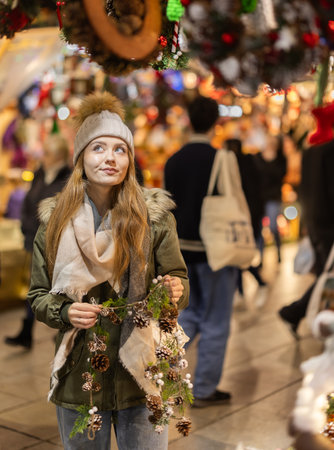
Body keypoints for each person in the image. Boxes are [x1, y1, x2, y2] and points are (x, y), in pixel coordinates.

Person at [26, 92, 189, 450]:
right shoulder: (55, 224)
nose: (110, 158)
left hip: (142, 373)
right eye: (98, 148)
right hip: (81, 377)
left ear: (130, 160)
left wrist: (174, 289)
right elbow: (38, 296)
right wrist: (65, 310)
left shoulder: (155, 219)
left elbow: (179, 279)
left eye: (120, 149)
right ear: (81, 157)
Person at [164, 95, 238, 408]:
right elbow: (236, 202)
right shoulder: (222, 159)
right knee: (217, 319)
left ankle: (162, 370)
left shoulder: (173, 160)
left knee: (190, 313)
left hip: (181, 251)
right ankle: (206, 388)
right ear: (216, 123)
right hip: (216, 249)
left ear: (189, 120)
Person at [5, 134, 72, 349]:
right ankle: (27, 331)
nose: (44, 157)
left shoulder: (68, 177)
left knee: (62, 287)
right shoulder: (39, 173)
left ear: (59, 155)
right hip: (33, 237)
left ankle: (67, 328)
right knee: (36, 286)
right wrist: (26, 229)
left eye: (48, 153)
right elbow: (28, 203)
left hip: (58, 243)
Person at [279, 138, 334, 338]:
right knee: (329, 278)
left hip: (316, 222)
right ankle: (322, 325)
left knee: (326, 275)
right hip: (327, 225)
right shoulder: (328, 151)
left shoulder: (312, 151)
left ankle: (298, 314)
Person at [225, 138, 266, 307]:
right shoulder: (251, 162)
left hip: (238, 217)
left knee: (239, 254)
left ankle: (245, 287)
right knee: (244, 253)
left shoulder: (231, 165)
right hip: (250, 215)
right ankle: (252, 282)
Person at [255, 134, 287, 264]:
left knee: (273, 227)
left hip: (273, 197)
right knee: (260, 229)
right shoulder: (258, 157)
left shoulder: (280, 159)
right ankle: (261, 257)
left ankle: (278, 252)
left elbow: (280, 175)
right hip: (259, 198)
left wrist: (270, 158)